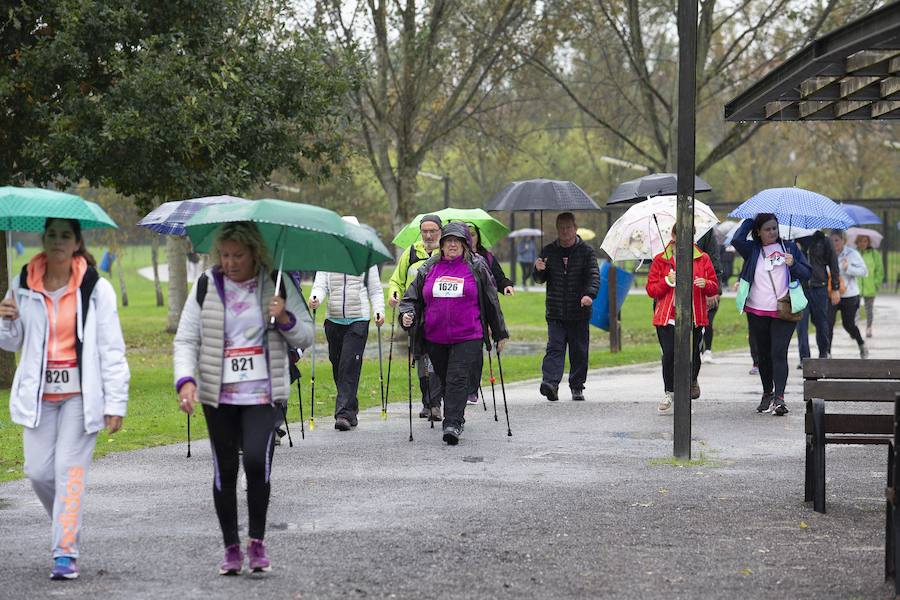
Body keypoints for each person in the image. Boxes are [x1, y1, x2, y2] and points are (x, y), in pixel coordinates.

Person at [173, 221, 314, 575]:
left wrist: (284, 317)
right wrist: (185, 380)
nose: (230, 262)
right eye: (224, 255)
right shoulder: (206, 285)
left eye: (238, 255)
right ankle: (231, 548)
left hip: (264, 393)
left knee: (255, 461)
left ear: (255, 253)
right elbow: (187, 338)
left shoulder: (277, 284)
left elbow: (306, 336)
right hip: (219, 395)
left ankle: (257, 542)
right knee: (225, 468)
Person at [0, 218, 130, 580]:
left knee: (68, 472)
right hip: (39, 397)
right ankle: (66, 522)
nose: (58, 241)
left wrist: (115, 402)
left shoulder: (95, 288)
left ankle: (64, 552)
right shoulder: (23, 282)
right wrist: (5, 318)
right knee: (38, 473)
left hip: (80, 397)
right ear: (43, 239)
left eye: (65, 236)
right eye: (52, 235)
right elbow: (10, 342)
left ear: (76, 243)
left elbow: (112, 348)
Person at [399, 222, 508, 445]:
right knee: (445, 378)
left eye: (457, 241)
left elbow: (491, 300)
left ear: (465, 244)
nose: (452, 245)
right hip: (435, 337)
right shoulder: (429, 267)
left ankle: (452, 423)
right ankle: (456, 414)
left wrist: (500, 333)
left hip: (468, 335)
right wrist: (407, 315)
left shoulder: (476, 266)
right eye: (448, 241)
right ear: (441, 244)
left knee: (458, 377)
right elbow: (410, 298)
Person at [732, 214, 811, 416]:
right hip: (757, 310)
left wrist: (794, 264)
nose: (772, 232)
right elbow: (737, 240)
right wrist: (752, 218)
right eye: (767, 229)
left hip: (784, 309)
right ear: (758, 232)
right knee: (763, 355)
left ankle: (780, 398)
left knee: (778, 352)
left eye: (774, 228)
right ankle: (768, 393)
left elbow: (807, 273)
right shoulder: (752, 250)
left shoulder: (790, 248)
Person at [309, 227, 385, 431]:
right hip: (333, 320)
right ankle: (351, 407)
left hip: (358, 320)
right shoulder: (328, 258)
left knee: (348, 365)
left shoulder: (366, 259)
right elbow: (320, 286)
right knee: (337, 366)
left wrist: (379, 311)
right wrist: (315, 298)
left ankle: (342, 414)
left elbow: (376, 290)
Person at [646, 227, 719, 412]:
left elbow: (713, 286)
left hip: (693, 316)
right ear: (673, 235)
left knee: (692, 357)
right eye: (681, 234)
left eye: (690, 234)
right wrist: (667, 281)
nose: (685, 238)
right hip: (667, 317)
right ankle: (670, 393)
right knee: (670, 355)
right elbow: (651, 290)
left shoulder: (703, 258)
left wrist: (706, 284)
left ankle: (686, 393)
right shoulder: (661, 260)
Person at [533, 212, 599, 402]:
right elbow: (539, 280)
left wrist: (589, 295)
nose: (565, 231)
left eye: (568, 227)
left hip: (579, 311)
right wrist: (538, 271)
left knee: (579, 350)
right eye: (561, 228)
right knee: (555, 347)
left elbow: (594, 276)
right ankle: (550, 384)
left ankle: (577, 386)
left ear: (575, 228)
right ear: (557, 229)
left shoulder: (586, 251)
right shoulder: (548, 251)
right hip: (555, 311)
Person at [387, 215, 443, 421]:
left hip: (439, 314)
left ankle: (435, 403)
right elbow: (397, 280)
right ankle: (427, 401)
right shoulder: (410, 252)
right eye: (425, 231)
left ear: (440, 231)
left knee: (435, 359)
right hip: (415, 314)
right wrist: (394, 293)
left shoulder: (445, 252)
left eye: (433, 231)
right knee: (420, 359)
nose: (428, 235)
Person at [464, 221, 513, 404]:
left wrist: (506, 286)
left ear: (478, 237)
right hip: (461, 311)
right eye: (466, 234)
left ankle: (471, 390)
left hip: (482, 310)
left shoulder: (487, 258)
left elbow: (499, 278)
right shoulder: (451, 258)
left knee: (476, 350)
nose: (470, 237)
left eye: (473, 233)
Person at [794, 230, 841, 366]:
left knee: (821, 323)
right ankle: (804, 358)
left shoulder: (824, 240)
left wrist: (835, 288)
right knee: (801, 325)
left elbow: (833, 264)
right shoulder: (795, 239)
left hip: (819, 287)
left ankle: (823, 353)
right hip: (800, 288)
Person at [828, 229, 869, 358]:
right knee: (828, 324)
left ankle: (861, 344)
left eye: (837, 240)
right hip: (832, 294)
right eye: (832, 240)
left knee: (848, 324)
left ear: (843, 240)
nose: (834, 243)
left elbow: (864, 271)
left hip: (850, 295)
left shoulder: (852, 253)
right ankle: (827, 353)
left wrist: (848, 268)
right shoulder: (827, 253)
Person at [696, 228, 723, 364]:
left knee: (707, 321)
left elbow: (714, 258)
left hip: (704, 283)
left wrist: (714, 290)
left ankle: (706, 350)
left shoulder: (706, 231)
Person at [854, 233, 883, 339]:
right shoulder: (854, 253)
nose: (863, 243)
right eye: (860, 241)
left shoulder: (874, 254)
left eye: (865, 241)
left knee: (869, 309)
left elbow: (879, 270)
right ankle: (854, 328)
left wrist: (876, 283)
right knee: (854, 308)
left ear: (869, 242)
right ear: (857, 242)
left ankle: (869, 327)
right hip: (856, 287)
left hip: (870, 286)